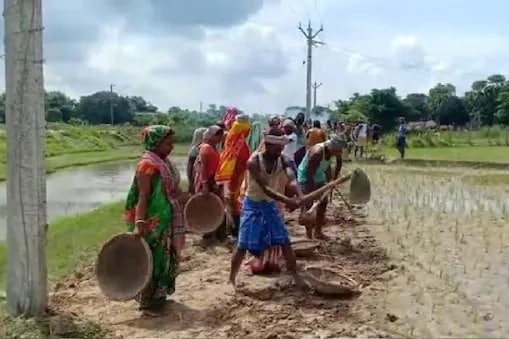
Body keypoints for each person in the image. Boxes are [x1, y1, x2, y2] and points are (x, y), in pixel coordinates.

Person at [229, 128, 307, 287]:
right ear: (267, 144)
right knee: (242, 244)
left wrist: (300, 196)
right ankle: (231, 278)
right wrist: (287, 200)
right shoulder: (253, 162)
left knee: (284, 240)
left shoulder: (283, 160)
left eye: (281, 147)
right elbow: (266, 188)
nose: (280, 150)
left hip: (270, 205)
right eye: (277, 147)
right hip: (252, 205)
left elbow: (292, 179)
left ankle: (294, 274)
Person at [124, 125, 185, 317]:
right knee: (151, 259)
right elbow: (143, 196)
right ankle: (146, 302)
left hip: (165, 220)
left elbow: (171, 190)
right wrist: (140, 222)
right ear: (156, 142)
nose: (171, 147)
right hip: (152, 223)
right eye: (168, 143)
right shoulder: (147, 165)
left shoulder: (163, 162)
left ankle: (158, 298)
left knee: (165, 258)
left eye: (172, 143)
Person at [297, 134, 345, 239]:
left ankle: (318, 232)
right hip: (306, 177)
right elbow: (309, 174)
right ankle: (308, 235)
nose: (337, 154)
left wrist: (333, 180)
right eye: (336, 152)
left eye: (339, 152)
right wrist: (313, 194)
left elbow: (339, 163)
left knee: (323, 203)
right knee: (309, 205)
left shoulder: (335, 150)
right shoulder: (317, 152)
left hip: (319, 175)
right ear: (331, 147)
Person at [216, 114, 251, 237]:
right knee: (235, 202)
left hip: (230, 176)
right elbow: (241, 162)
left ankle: (233, 228)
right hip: (236, 178)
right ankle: (236, 230)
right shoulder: (239, 143)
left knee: (231, 201)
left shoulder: (232, 137)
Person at [194, 125, 226, 242]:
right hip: (208, 181)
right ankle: (209, 234)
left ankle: (214, 234)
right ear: (212, 136)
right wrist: (205, 185)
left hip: (213, 180)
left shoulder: (212, 147)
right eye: (219, 136)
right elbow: (203, 168)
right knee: (210, 208)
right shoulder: (206, 148)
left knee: (215, 207)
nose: (221, 138)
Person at [187, 127, 207, 194]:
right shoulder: (194, 150)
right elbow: (190, 167)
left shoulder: (203, 147)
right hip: (195, 175)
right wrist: (191, 180)